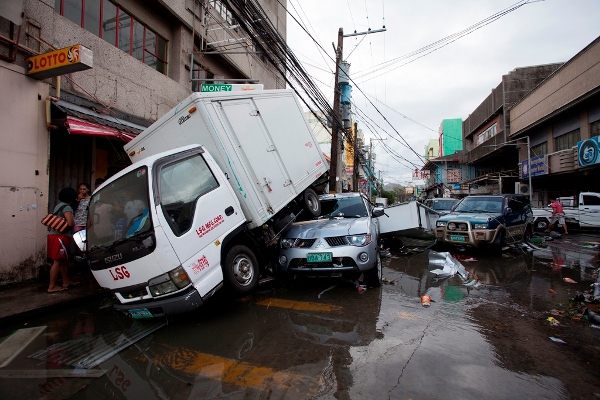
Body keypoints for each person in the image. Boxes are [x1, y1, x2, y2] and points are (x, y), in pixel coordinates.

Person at [47, 187, 80, 292]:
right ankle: (51, 286)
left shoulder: (58, 206)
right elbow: (70, 223)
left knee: (64, 261)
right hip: (60, 236)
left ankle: (66, 281)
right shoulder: (67, 208)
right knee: (57, 261)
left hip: (54, 235)